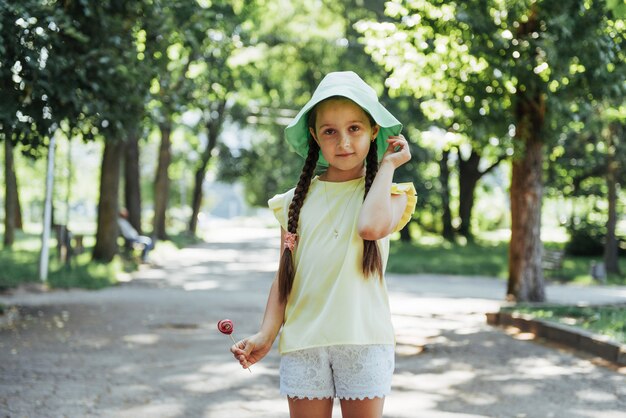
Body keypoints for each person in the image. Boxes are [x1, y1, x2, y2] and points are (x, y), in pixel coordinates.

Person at [231, 71, 417, 418]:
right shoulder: (292, 203)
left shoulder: (391, 194)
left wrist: (388, 164)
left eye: (355, 129)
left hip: (363, 342)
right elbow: (284, 278)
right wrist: (266, 334)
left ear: (374, 131)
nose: (343, 142)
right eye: (330, 131)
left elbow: (369, 227)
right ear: (315, 136)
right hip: (304, 345)